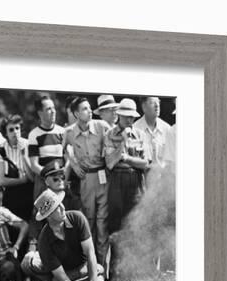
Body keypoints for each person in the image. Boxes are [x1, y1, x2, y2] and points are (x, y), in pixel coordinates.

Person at [63, 97, 110, 269]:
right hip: (85, 179)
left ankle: (104, 268)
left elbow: (114, 145)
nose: (89, 111)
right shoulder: (68, 133)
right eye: (84, 109)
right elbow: (64, 152)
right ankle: (92, 267)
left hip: (103, 177)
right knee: (88, 222)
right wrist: (74, 165)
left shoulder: (102, 126)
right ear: (76, 114)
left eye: (90, 108)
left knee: (102, 222)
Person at [104, 98, 151, 234]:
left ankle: (133, 255)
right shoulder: (109, 135)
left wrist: (126, 158)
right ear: (119, 115)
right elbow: (110, 163)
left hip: (136, 181)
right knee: (116, 224)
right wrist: (123, 142)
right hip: (116, 181)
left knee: (136, 222)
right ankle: (115, 255)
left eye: (132, 117)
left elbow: (145, 163)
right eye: (126, 116)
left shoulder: (140, 135)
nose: (130, 120)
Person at [27, 95, 65, 247]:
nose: (53, 111)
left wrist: (61, 177)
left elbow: (68, 158)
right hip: (44, 183)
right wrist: (50, 178)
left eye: (53, 108)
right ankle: (36, 251)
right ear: (40, 113)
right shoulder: (34, 134)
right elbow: (34, 164)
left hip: (62, 181)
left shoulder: (62, 132)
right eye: (48, 109)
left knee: (62, 215)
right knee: (40, 217)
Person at [0, 114, 34, 222]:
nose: (15, 132)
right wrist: (22, 180)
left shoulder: (28, 144)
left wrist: (23, 155)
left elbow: (32, 178)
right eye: (11, 130)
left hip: (29, 194)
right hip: (11, 195)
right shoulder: (0, 149)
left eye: (17, 128)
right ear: (6, 133)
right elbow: (1, 181)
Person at [133, 96, 171, 186]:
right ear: (144, 107)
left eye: (158, 102)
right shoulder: (135, 129)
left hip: (163, 181)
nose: (157, 105)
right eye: (152, 102)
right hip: (142, 182)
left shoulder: (167, 129)